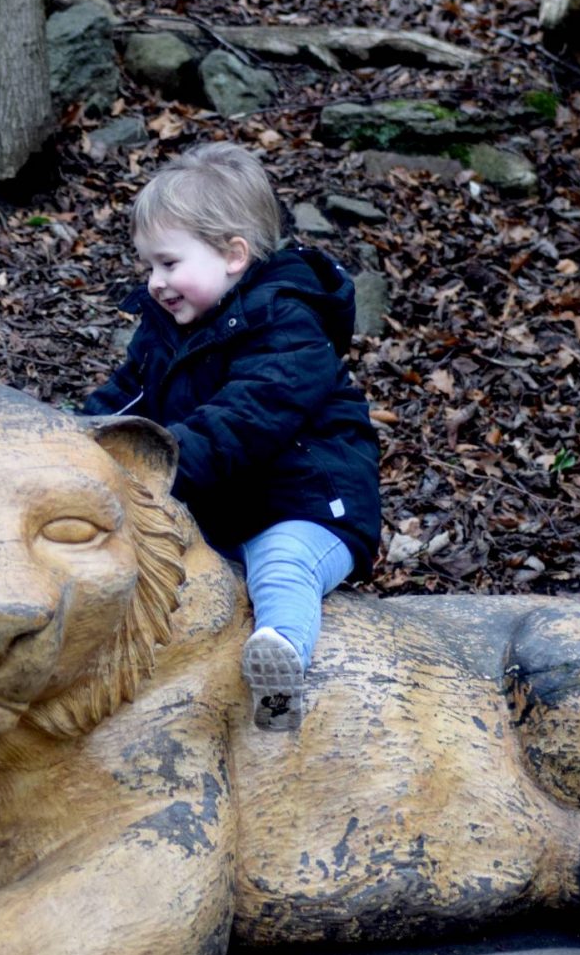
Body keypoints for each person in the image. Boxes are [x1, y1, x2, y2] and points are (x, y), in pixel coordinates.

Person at [83, 142, 381, 731]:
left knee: (282, 565)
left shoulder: (289, 327)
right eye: (149, 266)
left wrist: (158, 464)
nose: (156, 283)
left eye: (169, 264)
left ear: (233, 256)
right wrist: (77, 441)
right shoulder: (168, 329)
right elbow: (127, 400)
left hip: (308, 507)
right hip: (224, 510)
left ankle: (281, 662)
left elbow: (246, 419)